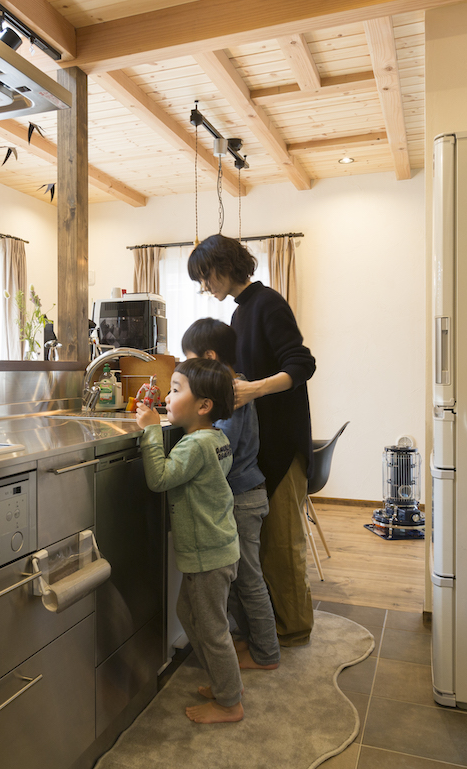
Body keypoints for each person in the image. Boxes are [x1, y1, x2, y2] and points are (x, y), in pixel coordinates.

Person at [187, 234, 317, 647]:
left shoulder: (267, 304)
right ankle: (273, 626)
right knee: (266, 549)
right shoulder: (241, 312)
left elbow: (302, 363)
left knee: (283, 545)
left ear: (224, 266)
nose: (205, 286)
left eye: (205, 276)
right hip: (264, 447)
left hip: (284, 442)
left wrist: (255, 389)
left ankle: (294, 630)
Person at [136, 357, 244, 724]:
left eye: (175, 390)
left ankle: (230, 702)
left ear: (203, 406)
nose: (167, 397)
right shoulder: (216, 438)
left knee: (212, 630)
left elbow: (160, 479)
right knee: (189, 615)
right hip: (218, 548)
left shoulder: (194, 446)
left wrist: (152, 430)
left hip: (208, 556)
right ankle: (224, 683)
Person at [181, 318, 280, 671]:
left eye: (191, 361)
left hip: (243, 497)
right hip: (244, 494)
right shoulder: (234, 387)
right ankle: (250, 640)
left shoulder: (232, 393)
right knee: (240, 579)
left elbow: (224, 446)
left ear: (209, 357)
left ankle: (266, 653)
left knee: (249, 579)